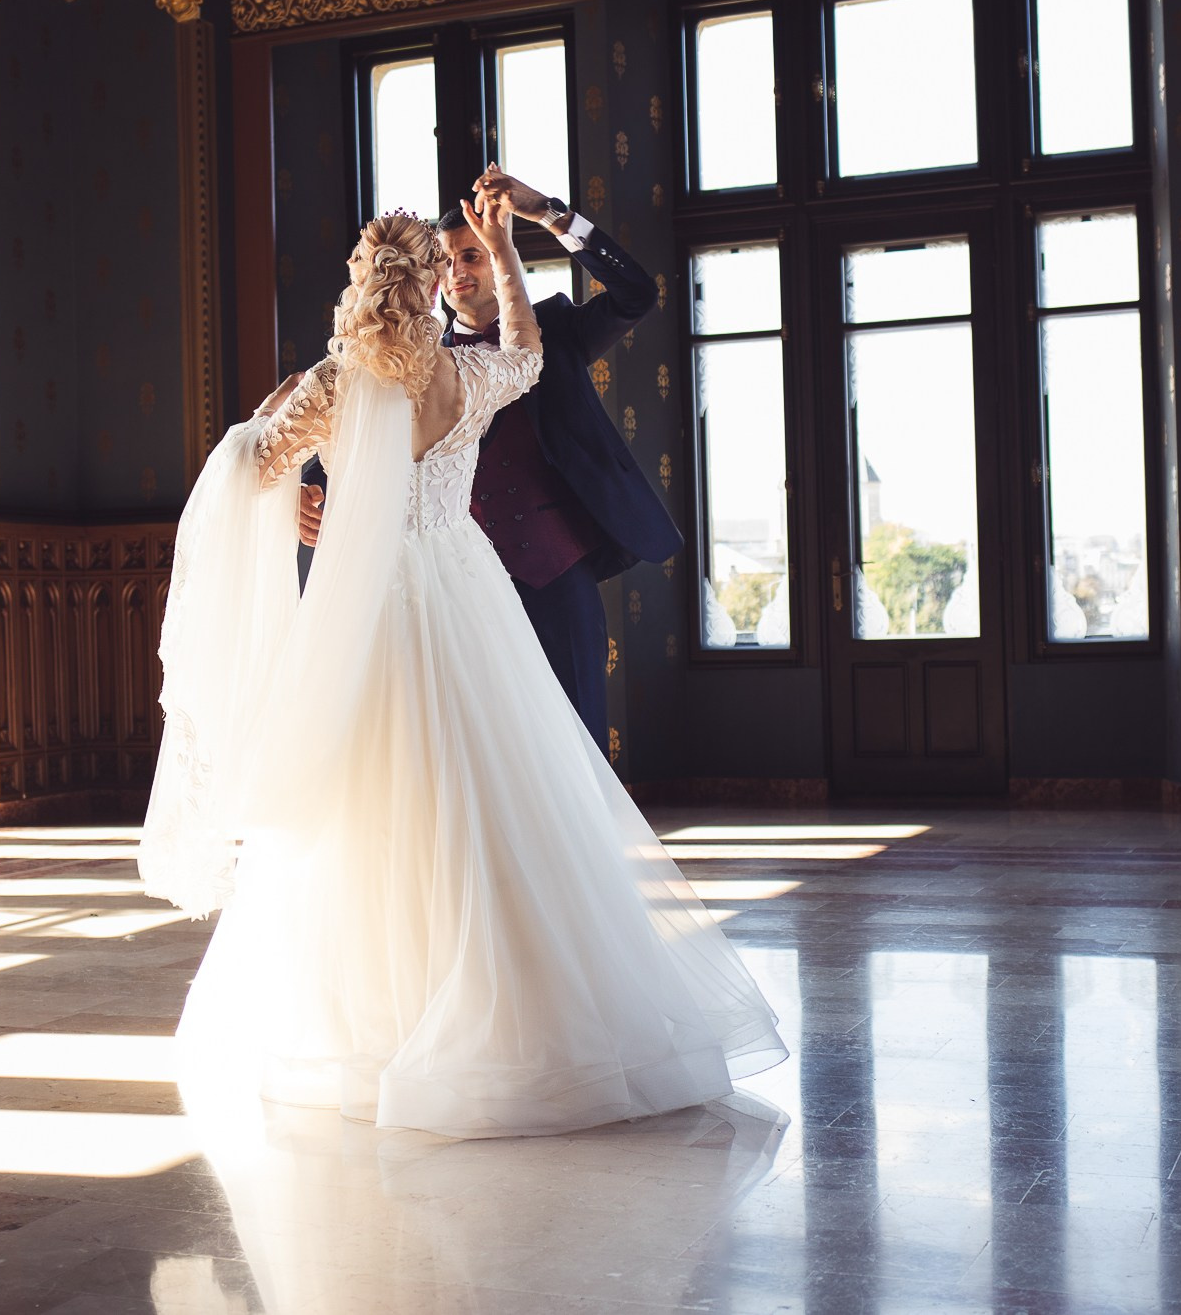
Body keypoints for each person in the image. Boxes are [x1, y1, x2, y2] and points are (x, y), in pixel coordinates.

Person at [137, 192, 785, 1140]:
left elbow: (250, 471)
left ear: (361, 284)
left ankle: (385, 1016)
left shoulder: (330, 385)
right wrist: (508, 257)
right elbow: (526, 349)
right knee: (498, 792)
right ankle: (529, 1008)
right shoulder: (464, 377)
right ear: (434, 282)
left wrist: (291, 505)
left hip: (371, 606)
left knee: (370, 802)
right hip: (464, 589)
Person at [298, 165, 679, 748]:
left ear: (501, 257)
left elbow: (637, 293)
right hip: (456, 585)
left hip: (556, 574)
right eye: (446, 260)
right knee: (478, 749)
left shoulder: (553, 330)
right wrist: (312, 489)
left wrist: (548, 212)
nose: (457, 272)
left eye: (473, 256)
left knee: (577, 743)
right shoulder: (415, 359)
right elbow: (359, 435)